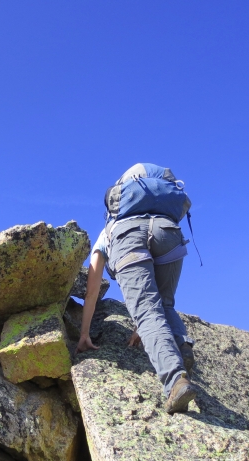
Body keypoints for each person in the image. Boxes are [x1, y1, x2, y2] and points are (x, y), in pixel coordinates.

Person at [77, 164, 199, 414]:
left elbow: (92, 291)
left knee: (147, 313)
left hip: (128, 238)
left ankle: (175, 379)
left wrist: (84, 334)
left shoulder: (107, 230)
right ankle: (180, 344)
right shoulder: (159, 209)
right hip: (168, 231)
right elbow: (151, 286)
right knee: (164, 304)